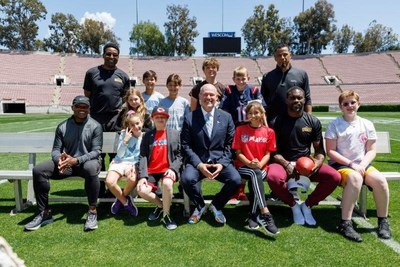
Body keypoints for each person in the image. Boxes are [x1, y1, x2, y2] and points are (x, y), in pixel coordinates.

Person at [24, 96, 103, 231]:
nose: (81, 109)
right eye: (78, 106)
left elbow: (96, 151)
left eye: (85, 107)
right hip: (68, 165)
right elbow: (56, 150)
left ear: (89, 109)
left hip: (87, 163)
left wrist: (77, 160)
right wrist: (59, 161)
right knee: (39, 170)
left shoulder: (96, 126)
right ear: (72, 108)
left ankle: (92, 211)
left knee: (90, 168)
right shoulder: (62, 126)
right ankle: (44, 213)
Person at [267, 86, 341, 226]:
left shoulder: (313, 121)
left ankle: (307, 206)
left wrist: (316, 164)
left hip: (305, 164)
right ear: (286, 100)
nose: (296, 100)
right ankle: (293, 205)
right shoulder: (276, 122)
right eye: (293, 98)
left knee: (334, 177)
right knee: (273, 177)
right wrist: (287, 165)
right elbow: (273, 152)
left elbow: (319, 150)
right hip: (283, 162)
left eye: (300, 97)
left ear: (304, 99)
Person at [325, 90, 392, 242]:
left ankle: (383, 221)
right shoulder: (335, 125)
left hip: (362, 164)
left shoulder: (367, 124)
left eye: (352, 102)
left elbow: (372, 150)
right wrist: (351, 164)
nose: (350, 106)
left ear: (358, 104)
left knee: (380, 181)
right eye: (345, 104)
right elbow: (330, 151)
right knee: (355, 179)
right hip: (341, 165)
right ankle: (345, 223)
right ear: (341, 107)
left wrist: (362, 164)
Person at [181, 83, 241, 225]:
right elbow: (186, 145)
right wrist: (199, 165)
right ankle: (200, 205)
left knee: (235, 180)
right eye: (205, 94)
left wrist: (222, 164)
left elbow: (230, 144)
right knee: (186, 179)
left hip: (219, 161)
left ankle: (217, 205)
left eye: (211, 94)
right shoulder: (190, 118)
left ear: (217, 97)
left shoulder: (226, 117)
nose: (208, 97)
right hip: (198, 162)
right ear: (200, 96)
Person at [83, 42, 130, 196]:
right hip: (96, 119)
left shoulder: (123, 76)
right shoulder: (92, 73)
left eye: (114, 55)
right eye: (108, 54)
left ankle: (113, 187)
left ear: (118, 57)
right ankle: (99, 187)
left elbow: (125, 97)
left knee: (115, 155)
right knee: (98, 154)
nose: (111, 57)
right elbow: (87, 94)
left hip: (115, 120)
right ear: (103, 55)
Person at [232, 101, 279, 235]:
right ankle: (265, 212)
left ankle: (253, 215)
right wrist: (249, 163)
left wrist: (259, 163)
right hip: (243, 167)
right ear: (246, 115)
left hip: (261, 167)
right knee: (254, 174)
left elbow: (268, 154)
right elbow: (238, 153)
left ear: (262, 114)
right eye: (250, 113)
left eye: (256, 112)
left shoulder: (269, 132)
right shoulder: (240, 130)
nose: (253, 115)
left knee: (255, 175)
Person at [221, 66, 266, 201]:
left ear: (248, 78)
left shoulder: (253, 90)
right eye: (238, 78)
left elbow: (262, 110)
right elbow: (224, 111)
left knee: (250, 156)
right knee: (236, 159)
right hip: (235, 130)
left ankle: (246, 189)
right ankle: (237, 189)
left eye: (243, 78)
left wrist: (266, 127)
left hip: (252, 129)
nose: (240, 81)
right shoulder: (229, 90)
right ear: (234, 79)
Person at [137, 106, 182, 230]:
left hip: (167, 169)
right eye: (157, 117)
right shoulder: (147, 135)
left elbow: (180, 155)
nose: (160, 119)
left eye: (163, 117)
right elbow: (142, 156)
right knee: (142, 190)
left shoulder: (175, 134)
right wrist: (143, 176)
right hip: (152, 171)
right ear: (152, 119)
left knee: (167, 184)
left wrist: (173, 168)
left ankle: (166, 215)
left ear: (167, 119)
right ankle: (162, 206)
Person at [261, 44, 312, 124]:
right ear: (275, 58)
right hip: (274, 122)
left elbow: (307, 99)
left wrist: (309, 120)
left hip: (296, 122)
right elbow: (263, 102)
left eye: (285, 54)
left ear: (290, 55)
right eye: (279, 55)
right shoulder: (267, 77)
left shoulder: (301, 74)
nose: (282, 58)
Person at [106, 112, 143, 217]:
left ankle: (120, 199)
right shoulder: (123, 134)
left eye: (137, 123)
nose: (136, 126)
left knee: (132, 179)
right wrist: (125, 140)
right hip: (119, 162)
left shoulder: (144, 137)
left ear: (142, 122)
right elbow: (120, 154)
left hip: (133, 164)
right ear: (128, 126)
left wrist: (136, 165)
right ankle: (126, 202)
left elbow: (142, 156)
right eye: (132, 125)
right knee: (110, 182)